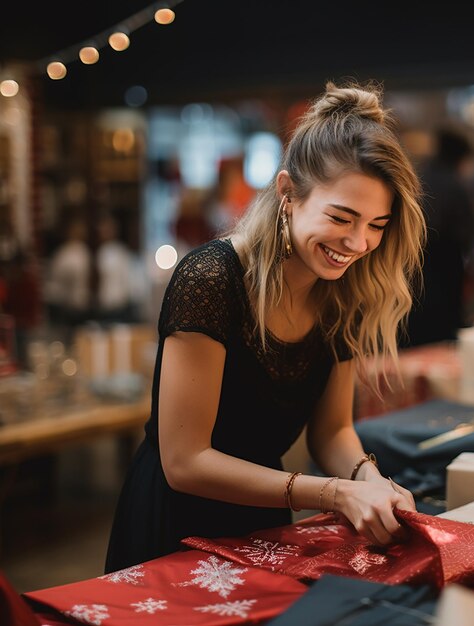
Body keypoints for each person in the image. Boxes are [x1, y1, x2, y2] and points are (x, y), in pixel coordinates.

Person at [105, 81, 426, 573]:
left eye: (378, 225)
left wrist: (368, 477)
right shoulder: (211, 279)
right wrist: (337, 494)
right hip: (174, 525)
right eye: (342, 217)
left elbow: (333, 431)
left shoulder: (346, 292)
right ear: (287, 194)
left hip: (266, 521)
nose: (360, 243)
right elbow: (185, 460)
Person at [400, 127, 474, 347]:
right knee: (443, 320)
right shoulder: (455, 184)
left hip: (415, 257)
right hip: (446, 261)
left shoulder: (420, 177)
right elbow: (468, 231)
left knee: (419, 312)